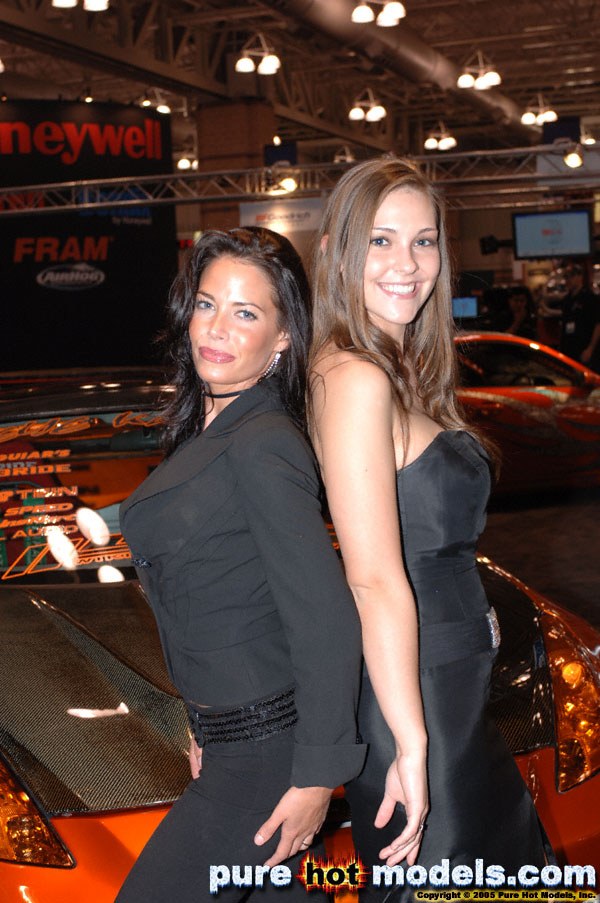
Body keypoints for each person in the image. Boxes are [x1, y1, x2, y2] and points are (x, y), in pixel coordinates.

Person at [308, 158, 550, 899]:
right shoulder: (356, 377)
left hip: (448, 685)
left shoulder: (395, 365)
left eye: (424, 240)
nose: (407, 264)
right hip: (416, 700)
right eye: (381, 240)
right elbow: (373, 577)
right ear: (338, 251)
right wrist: (412, 745)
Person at [116, 227, 365, 903]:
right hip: (231, 739)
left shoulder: (263, 442)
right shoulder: (213, 424)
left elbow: (324, 618)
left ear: (283, 336)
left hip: (266, 755)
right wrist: (202, 723)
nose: (216, 328)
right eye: (206, 304)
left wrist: (317, 777)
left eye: (245, 312)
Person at [560, 263, 600, 371]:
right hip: (569, 348)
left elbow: (598, 324)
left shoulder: (590, 298)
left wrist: (590, 349)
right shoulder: (567, 300)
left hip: (584, 346)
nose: (568, 280)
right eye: (566, 277)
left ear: (579, 277)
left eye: (570, 277)